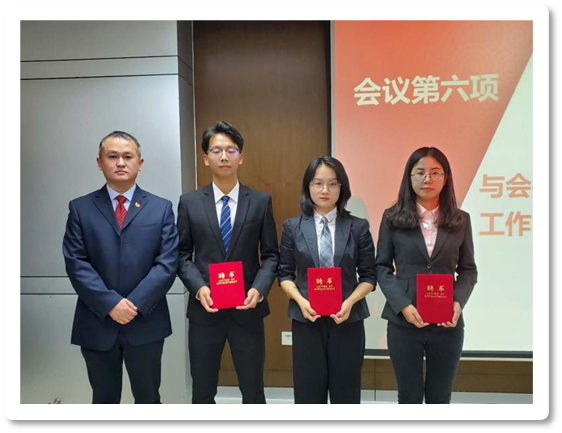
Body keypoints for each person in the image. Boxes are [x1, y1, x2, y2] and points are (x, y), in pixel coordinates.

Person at [63, 131, 179, 404]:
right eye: (112, 156)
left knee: (148, 399)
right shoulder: (80, 208)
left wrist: (133, 304)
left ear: (140, 163)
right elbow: (76, 263)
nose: (120, 163)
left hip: (146, 321)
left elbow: (167, 262)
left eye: (128, 156)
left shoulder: (161, 208)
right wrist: (111, 304)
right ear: (99, 162)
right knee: (103, 400)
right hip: (97, 321)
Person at [177, 120, 279, 404]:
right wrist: (199, 288)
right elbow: (181, 255)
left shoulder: (259, 201)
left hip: (247, 309)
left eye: (231, 150)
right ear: (205, 158)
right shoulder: (189, 202)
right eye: (217, 150)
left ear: (241, 157)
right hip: (205, 310)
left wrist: (258, 289)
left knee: (253, 390)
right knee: (202, 391)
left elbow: (271, 254)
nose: (224, 156)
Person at [375, 147, 478, 404]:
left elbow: (468, 269)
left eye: (435, 173)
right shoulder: (392, 218)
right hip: (404, 322)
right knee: (409, 396)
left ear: (445, 178)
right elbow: (382, 267)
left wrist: (458, 302)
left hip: (447, 323)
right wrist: (403, 305)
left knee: (439, 397)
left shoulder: (461, 220)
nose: (427, 179)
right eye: (420, 172)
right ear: (409, 177)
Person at [278, 156, 376, 404]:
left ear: (342, 188)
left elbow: (368, 276)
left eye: (333, 184)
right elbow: (285, 274)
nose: (325, 190)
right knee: (308, 394)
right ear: (307, 187)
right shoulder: (292, 227)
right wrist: (300, 301)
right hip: (306, 319)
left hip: (347, 318)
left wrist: (349, 302)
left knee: (346, 393)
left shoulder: (358, 227)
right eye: (318, 183)